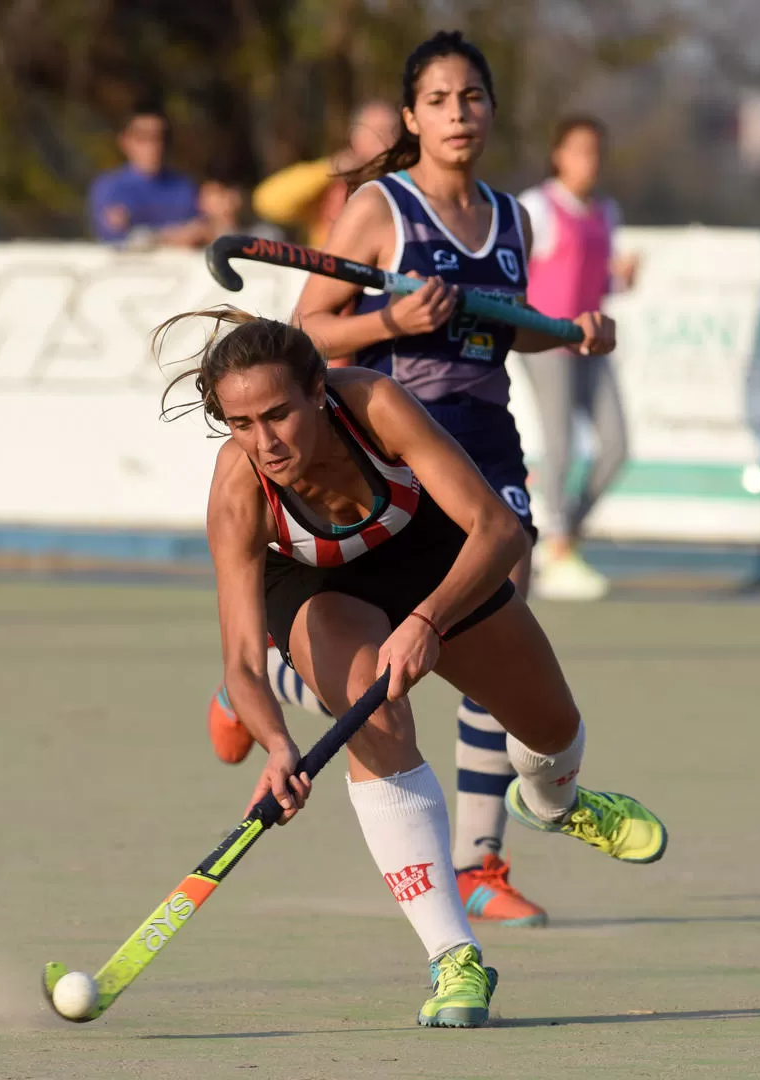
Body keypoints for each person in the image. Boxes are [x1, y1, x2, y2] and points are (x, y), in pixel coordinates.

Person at [166, 306, 667, 1028]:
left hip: (426, 556)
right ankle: (451, 955)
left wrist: (427, 621)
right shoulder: (240, 488)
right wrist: (278, 748)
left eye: (277, 414)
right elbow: (243, 660)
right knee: (377, 721)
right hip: (317, 590)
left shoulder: (373, 404)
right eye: (241, 424)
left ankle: (555, 806)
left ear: (316, 389)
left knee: (551, 729)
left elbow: (495, 530)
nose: (264, 442)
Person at [207, 31, 610, 928]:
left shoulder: (513, 218)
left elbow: (512, 325)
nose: (457, 115)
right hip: (395, 442)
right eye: (438, 100)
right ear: (410, 117)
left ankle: (480, 860)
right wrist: (393, 314)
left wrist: (570, 330)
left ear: (492, 110)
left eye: (471, 98)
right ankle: (277, 677)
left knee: (491, 630)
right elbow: (306, 335)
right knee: (398, 666)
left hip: (488, 442)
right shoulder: (379, 208)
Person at [517, 115, 639, 601]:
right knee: (560, 445)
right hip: (547, 340)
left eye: (596, 151)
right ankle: (559, 547)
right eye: (579, 150)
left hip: (592, 341)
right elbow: (514, 270)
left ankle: (560, 540)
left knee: (616, 446)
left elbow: (602, 281)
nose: (589, 161)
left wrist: (624, 278)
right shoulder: (536, 206)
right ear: (558, 155)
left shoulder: (607, 212)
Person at [251, 100, 399, 247]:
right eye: (378, 132)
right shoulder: (331, 184)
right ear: (355, 137)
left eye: (392, 132)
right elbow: (266, 202)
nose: (386, 140)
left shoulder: (406, 183)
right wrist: (329, 170)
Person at [88, 101, 209, 248]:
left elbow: (204, 231)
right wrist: (170, 236)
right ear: (124, 141)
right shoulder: (109, 188)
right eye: (143, 137)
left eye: (160, 137)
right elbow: (115, 237)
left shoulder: (184, 186)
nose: (153, 145)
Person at [197, 176, 286, 242]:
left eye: (224, 194)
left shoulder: (266, 234)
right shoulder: (195, 237)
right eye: (217, 195)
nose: (227, 201)